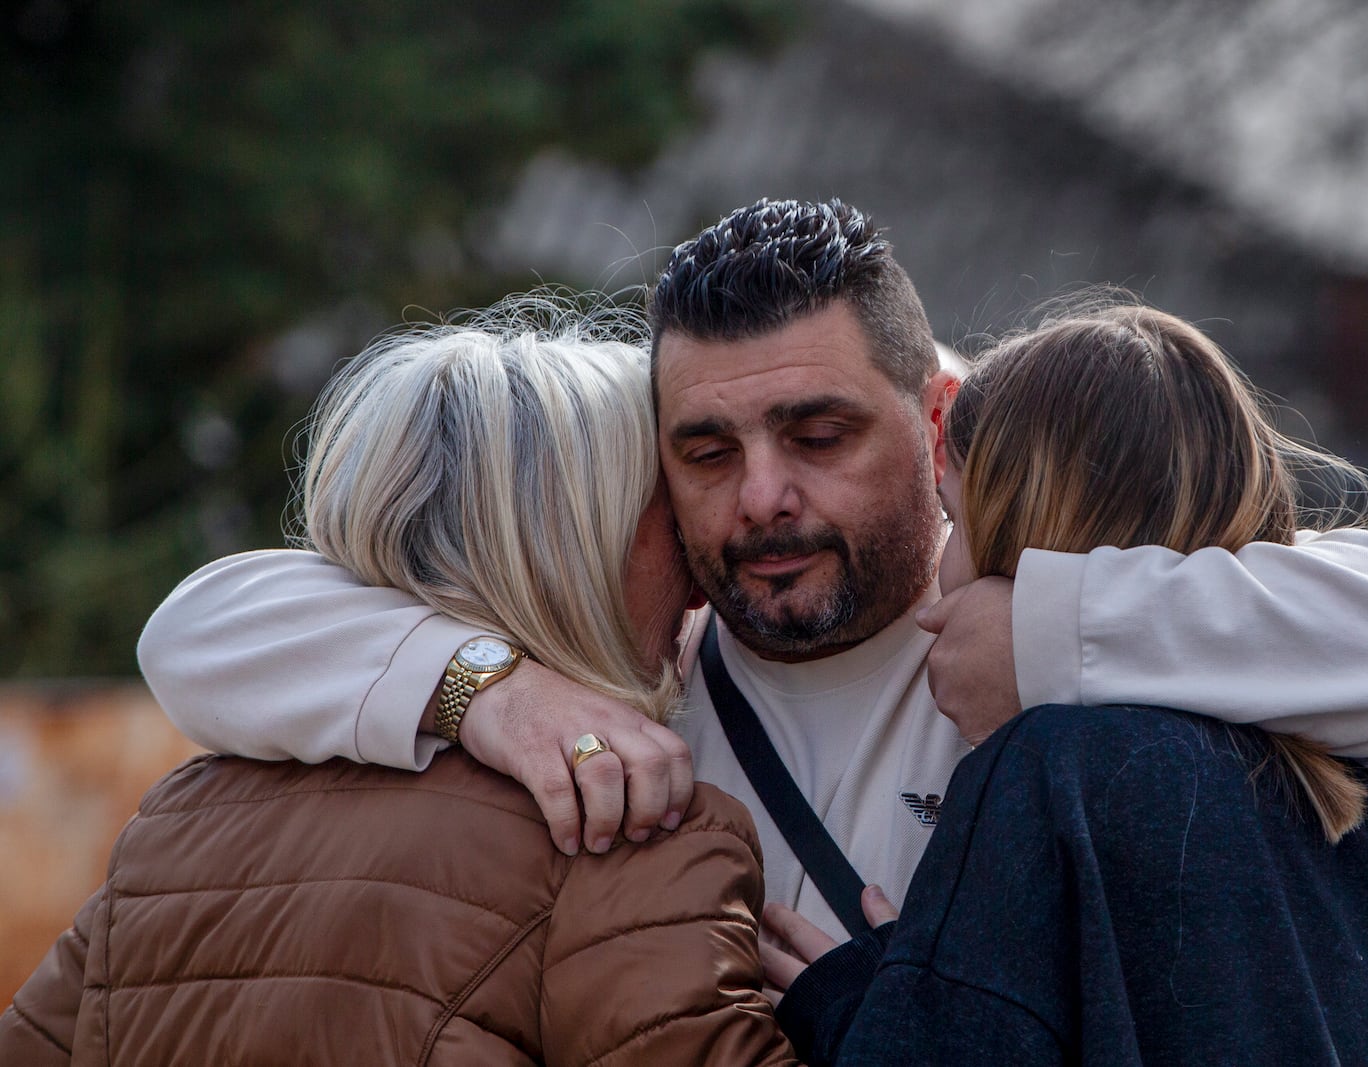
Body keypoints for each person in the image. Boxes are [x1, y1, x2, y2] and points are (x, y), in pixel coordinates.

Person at [134, 199, 1368, 943]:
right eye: (704, 448)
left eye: (816, 432)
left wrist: (1051, 633)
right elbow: (196, 629)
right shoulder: (634, 681)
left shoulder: (1083, 617)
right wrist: (484, 689)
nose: (760, 498)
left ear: (936, 417)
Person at [0, 300, 796, 1065]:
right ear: (572, 557)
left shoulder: (171, 828)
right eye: (669, 523)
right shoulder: (632, 836)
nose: (700, 580)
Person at [764, 303, 1368, 1064]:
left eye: (955, 520)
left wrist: (877, 1008)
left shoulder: (1044, 776)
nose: (944, 570)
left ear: (1025, 524)